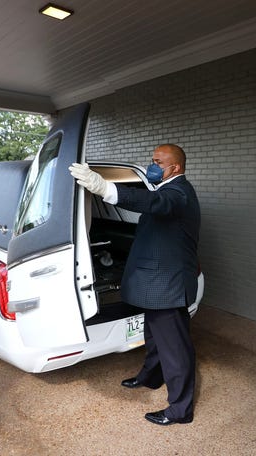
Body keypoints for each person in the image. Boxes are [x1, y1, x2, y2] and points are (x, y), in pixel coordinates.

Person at [69, 144, 200, 426]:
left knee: (175, 349)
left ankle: (180, 410)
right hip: (158, 284)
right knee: (154, 335)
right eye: (151, 160)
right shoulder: (166, 189)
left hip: (167, 285)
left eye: (157, 161)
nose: (151, 165)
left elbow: (153, 204)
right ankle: (152, 377)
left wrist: (104, 188)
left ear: (174, 168)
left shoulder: (178, 193)